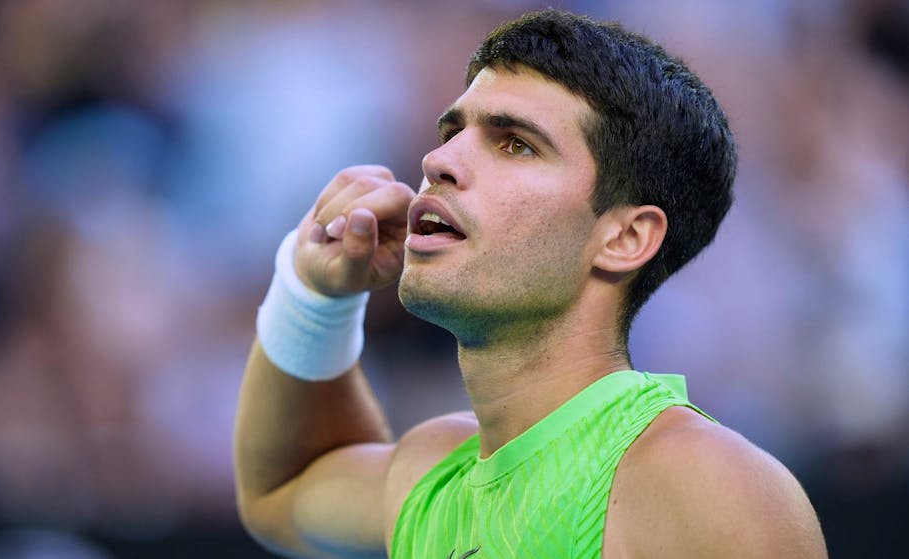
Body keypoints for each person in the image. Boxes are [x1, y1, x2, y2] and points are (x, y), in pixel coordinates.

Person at [234, 9, 827, 558]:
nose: (438, 163)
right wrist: (312, 292)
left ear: (624, 238)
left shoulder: (706, 483)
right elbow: (281, 489)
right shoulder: (430, 470)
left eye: (516, 144)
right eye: (451, 133)